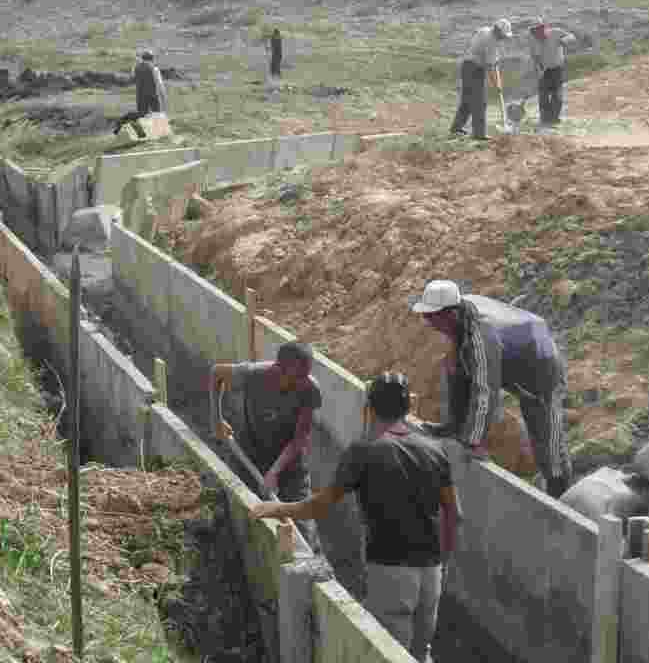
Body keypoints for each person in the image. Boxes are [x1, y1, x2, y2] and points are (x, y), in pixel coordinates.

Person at [252, 372, 462, 663]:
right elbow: (454, 514)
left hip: (391, 570)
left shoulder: (364, 450)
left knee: (390, 652)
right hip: (431, 571)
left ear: (369, 408)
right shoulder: (435, 450)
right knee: (420, 653)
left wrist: (277, 509)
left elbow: (320, 506)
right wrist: (444, 562)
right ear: (407, 409)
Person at [411, 280, 573, 498]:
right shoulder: (462, 311)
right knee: (454, 366)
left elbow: (485, 390)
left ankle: (560, 497)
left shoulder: (481, 334)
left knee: (548, 445)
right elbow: (459, 369)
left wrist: (473, 441)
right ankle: (455, 426)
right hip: (510, 355)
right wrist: (456, 424)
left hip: (540, 372)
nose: (428, 322)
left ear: (450, 314)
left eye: (431, 316)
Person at [210, 341, 322, 553]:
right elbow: (216, 373)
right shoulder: (253, 375)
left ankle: (318, 570)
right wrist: (216, 419)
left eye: (306, 375)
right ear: (279, 368)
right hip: (249, 455)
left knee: (304, 530)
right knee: (240, 515)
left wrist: (275, 472)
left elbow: (299, 440)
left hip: (290, 465)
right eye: (296, 376)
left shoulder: (310, 389)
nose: (302, 381)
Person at [449, 18, 513, 141]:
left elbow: (491, 61)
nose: (504, 39)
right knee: (480, 102)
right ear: (498, 32)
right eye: (503, 36)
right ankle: (479, 134)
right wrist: (497, 85)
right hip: (474, 69)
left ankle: (456, 128)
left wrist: (493, 63)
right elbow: (490, 66)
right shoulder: (491, 41)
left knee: (467, 100)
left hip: (466, 66)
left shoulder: (485, 30)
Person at [527, 17, 576, 127]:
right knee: (543, 95)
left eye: (538, 29)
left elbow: (572, 36)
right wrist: (538, 69)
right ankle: (544, 120)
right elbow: (534, 56)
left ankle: (554, 119)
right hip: (544, 70)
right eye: (533, 31)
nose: (536, 33)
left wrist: (565, 40)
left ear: (543, 27)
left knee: (557, 95)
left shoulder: (556, 33)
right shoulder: (533, 40)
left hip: (557, 69)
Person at [112, 50, 169, 138]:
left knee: (142, 114)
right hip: (152, 95)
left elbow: (133, 77)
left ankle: (123, 121)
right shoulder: (154, 69)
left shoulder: (136, 68)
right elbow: (160, 84)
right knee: (157, 113)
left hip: (140, 95)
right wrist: (164, 96)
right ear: (152, 59)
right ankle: (160, 133)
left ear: (142, 58)